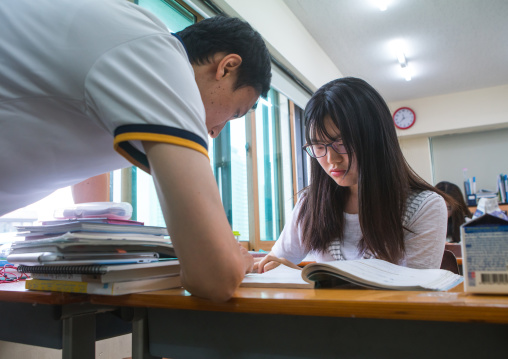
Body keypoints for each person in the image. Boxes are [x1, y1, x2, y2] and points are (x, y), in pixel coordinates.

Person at [0, 0, 271, 301]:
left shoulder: (124, 85)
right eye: (234, 113)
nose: (216, 131)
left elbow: (87, 185)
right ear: (226, 67)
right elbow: (214, 278)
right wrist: (236, 262)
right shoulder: (156, 56)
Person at [255, 77, 448, 273]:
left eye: (343, 144)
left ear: (375, 139)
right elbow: (278, 260)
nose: (332, 159)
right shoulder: (310, 203)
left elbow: (416, 293)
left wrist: (310, 284)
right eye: (319, 146)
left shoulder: (424, 207)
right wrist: (274, 267)